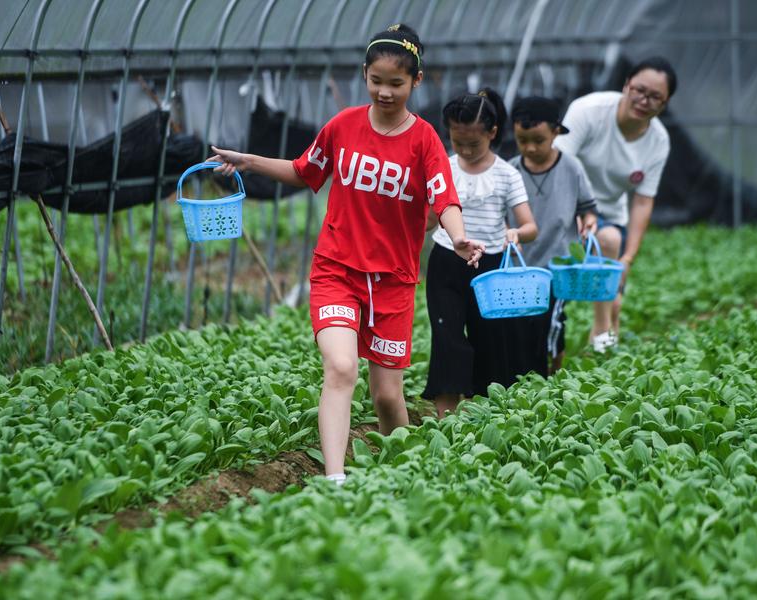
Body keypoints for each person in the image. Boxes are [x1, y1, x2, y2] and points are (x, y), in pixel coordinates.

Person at [208, 24, 485, 485]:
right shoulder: (343, 126)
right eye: (376, 80)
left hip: (393, 282)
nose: (384, 92)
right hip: (336, 269)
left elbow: (444, 197)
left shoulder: (424, 142)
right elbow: (304, 171)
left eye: (396, 83)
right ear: (364, 75)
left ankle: (405, 469)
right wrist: (250, 161)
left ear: (416, 82)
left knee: (386, 398)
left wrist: (457, 236)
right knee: (339, 367)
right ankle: (335, 481)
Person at [422, 88, 538, 418]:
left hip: (491, 268)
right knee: (446, 337)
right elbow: (430, 217)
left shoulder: (506, 175)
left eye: (474, 144)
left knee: (490, 340)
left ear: (492, 132)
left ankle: (484, 416)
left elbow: (530, 225)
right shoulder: (443, 168)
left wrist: (517, 232)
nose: (466, 151)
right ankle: (446, 418)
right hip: (446, 261)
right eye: (458, 143)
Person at [554, 57, 677, 352]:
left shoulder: (658, 140)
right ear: (626, 85)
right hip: (564, 202)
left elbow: (643, 201)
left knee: (609, 243)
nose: (644, 100)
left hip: (609, 213)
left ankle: (603, 330)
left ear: (665, 103)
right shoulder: (588, 111)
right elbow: (557, 167)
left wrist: (628, 259)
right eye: (639, 90)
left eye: (655, 97)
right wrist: (580, 211)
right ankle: (598, 324)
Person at [507, 96, 598, 373]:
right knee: (522, 322)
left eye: (538, 140)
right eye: (523, 140)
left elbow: (588, 208)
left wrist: (588, 223)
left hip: (558, 264)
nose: (530, 148)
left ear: (556, 133)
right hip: (520, 266)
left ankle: (552, 371)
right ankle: (529, 373)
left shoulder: (571, 168)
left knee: (553, 319)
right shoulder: (510, 170)